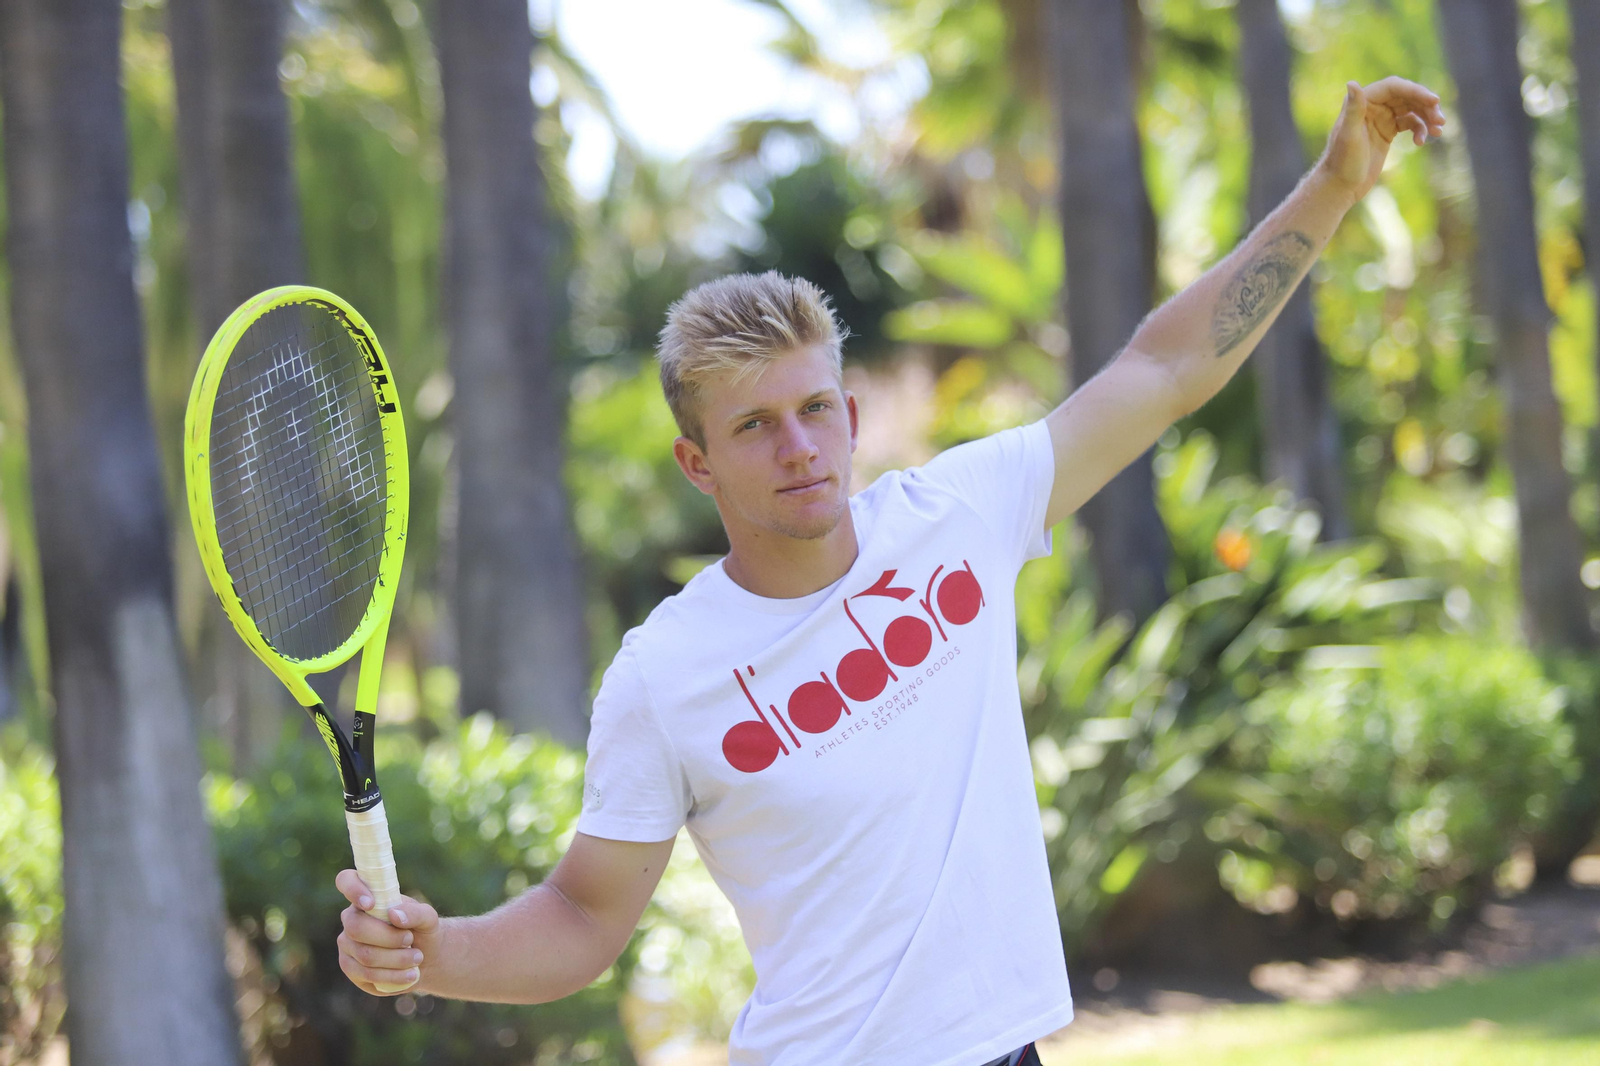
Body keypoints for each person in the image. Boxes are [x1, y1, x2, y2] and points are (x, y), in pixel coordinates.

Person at [334, 77, 1446, 1065]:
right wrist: (433, 955)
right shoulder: (663, 674)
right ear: (696, 462)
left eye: (816, 409)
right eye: (757, 426)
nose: (800, 447)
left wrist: (1331, 188)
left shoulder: (958, 514)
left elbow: (1157, 368)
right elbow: (582, 916)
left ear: (851, 413)